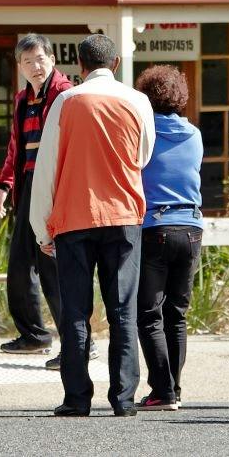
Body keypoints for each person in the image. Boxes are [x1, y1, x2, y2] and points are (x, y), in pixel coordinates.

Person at [29, 33, 156, 417]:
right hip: (122, 216)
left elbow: (46, 169)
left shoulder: (65, 102)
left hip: (74, 217)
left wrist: (41, 228)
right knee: (123, 310)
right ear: (115, 64)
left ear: (79, 67)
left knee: (75, 311)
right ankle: (123, 399)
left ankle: (77, 398)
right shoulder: (138, 101)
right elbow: (143, 155)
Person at [0, 34, 74, 361]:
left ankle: (78, 343)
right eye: (27, 62)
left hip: (54, 188)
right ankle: (34, 334)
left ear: (52, 59)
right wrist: (4, 186)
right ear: (20, 67)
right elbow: (16, 146)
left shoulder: (65, 94)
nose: (35, 67)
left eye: (40, 59)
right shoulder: (22, 99)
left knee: (52, 268)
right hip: (28, 188)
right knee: (20, 265)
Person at [135, 64, 204, 410]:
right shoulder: (194, 134)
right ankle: (174, 389)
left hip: (155, 227)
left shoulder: (144, 133)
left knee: (148, 313)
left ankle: (162, 391)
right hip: (192, 227)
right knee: (177, 314)